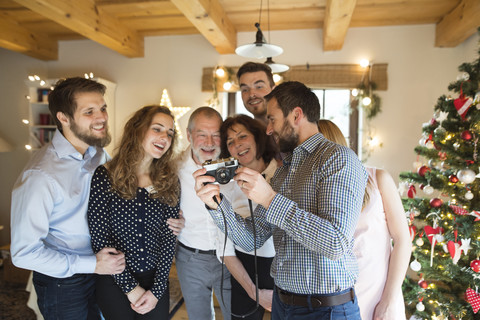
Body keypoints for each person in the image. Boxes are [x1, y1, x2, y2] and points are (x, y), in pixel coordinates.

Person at [194, 81, 368, 320]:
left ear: (296, 114)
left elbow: (335, 243)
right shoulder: (284, 172)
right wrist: (215, 203)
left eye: (272, 119)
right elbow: (252, 238)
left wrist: (269, 199)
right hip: (282, 305)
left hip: (326, 309)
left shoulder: (338, 159)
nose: (268, 129)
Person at [10, 77, 126, 320]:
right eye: (89, 111)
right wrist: (92, 265)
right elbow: (23, 253)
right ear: (63, 118)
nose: (102, 117)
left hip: (102, 269)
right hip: (64, 284)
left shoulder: (98, 155)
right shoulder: (40, 176)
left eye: (103, 108)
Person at [87, 105, 180, 319]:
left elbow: (168, 237)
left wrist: (157, 291)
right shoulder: (105, 175)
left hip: (156, 280)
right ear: (138, 129)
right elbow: (101, 238)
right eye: (157, 129)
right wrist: (130, 288)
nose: (165, 137)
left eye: (170, 132)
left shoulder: (169, 179)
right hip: (114, 281)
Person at [317, 119, 411, 320]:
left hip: (379, 297)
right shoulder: (313, 189)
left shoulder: (377, 178)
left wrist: (388, 300)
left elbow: (403, 240)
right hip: (335, 299)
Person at [218, 115, 278, 319]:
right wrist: (254, 292)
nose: (238, 145)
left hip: (286, 267)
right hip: (244, 271)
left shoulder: (282, 173)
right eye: (230, 142)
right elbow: (224, 249)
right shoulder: (226, 186)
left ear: (257, 138)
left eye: (243, 136)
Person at [175, 106, 232, 320]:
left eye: (216, 135)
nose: (209, 142)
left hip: (230, 257)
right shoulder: (173, 168)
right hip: (190, 258)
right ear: (189, 136)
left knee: (234, 315)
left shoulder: (235, 165)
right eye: (202, 135)